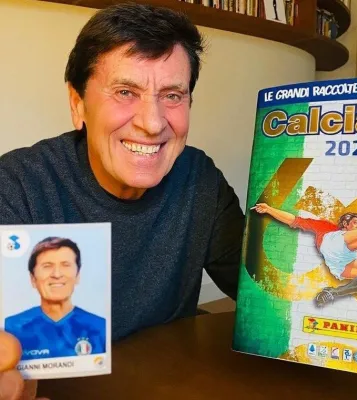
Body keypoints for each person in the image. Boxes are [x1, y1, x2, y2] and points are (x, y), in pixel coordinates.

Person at [0, 2, 244, 398]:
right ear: (78, 104)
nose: (152, 122)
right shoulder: (17, 186)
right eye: (125, 92)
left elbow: (262, 293)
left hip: (169, 386)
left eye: (172, 95)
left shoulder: (199, 179)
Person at [252, 203, 357, 307]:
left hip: (339, 265)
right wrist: (269, 209)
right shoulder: (327, 228)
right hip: (332, 242)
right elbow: (293, 220)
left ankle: (334, 293)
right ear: (345, 224)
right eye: (356, 223)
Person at [5, 237, 106, 361]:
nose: (57, 274)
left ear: (77, 276)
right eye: (47, 266)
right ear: (33, 279)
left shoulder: (100, 327)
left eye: (65, 265)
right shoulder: (11, 327)